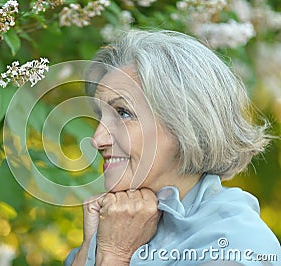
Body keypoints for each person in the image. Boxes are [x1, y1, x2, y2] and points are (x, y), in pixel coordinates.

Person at [64, 30, 281, 265]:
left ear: (185, 124)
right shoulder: (115, 225)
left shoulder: (237, 245)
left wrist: (114, 256)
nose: (97, 139)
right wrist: (89, 249)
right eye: (100, 116)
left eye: (123, 113)